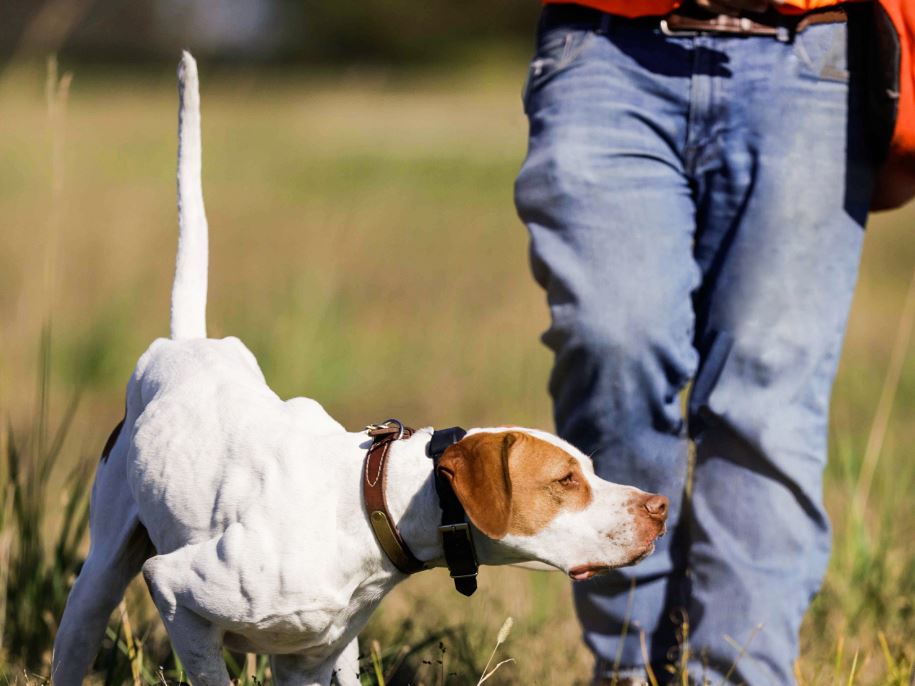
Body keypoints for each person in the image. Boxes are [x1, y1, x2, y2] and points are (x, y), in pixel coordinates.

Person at [514, 1, 904, 683]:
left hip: (809, 50)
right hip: (606, 45)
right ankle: (631, 666)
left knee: (766, 403)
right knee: (612, 344)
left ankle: (740, 673)